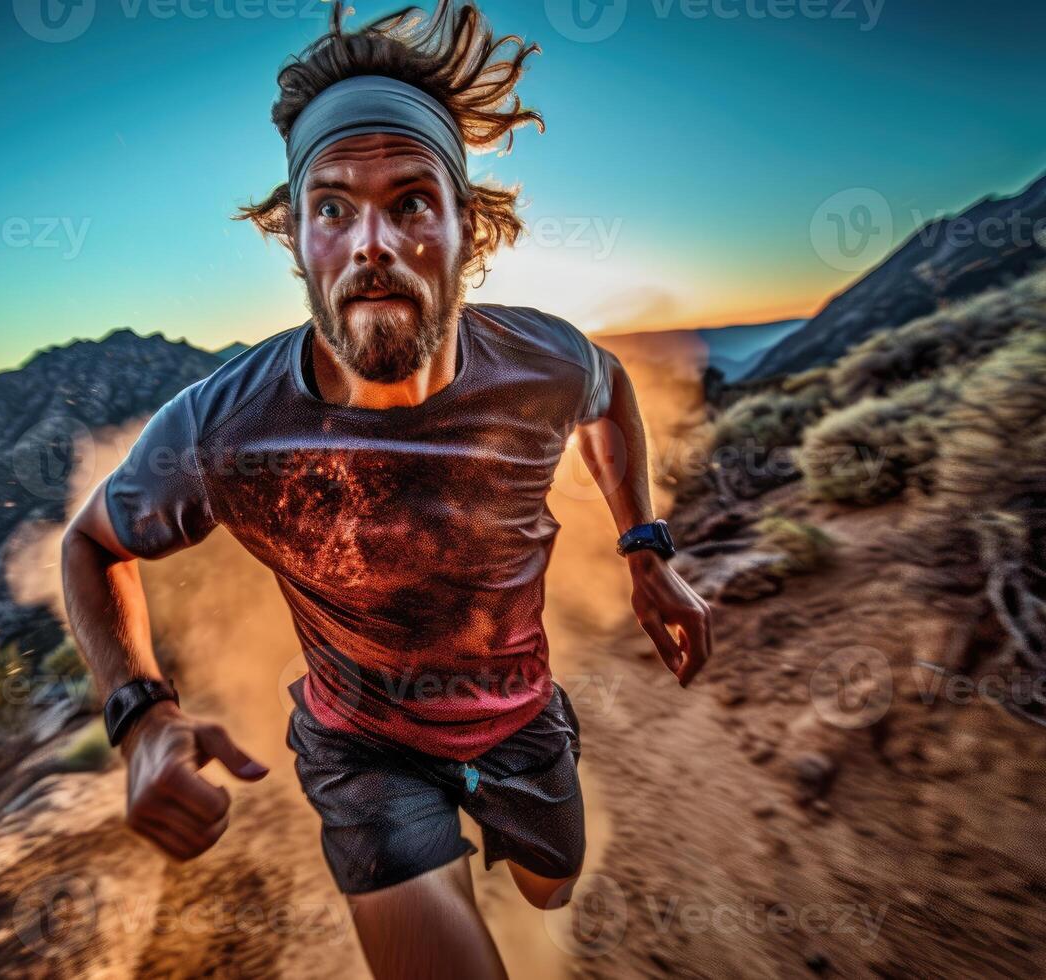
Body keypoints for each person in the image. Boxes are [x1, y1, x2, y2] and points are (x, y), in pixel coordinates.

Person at [60, 2, 712, 975]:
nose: (372, 242)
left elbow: (610, 393)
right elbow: (91, 544)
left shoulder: (540, 362)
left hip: (521, 714)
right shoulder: (224, 426)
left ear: (467, 230)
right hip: (358, 747)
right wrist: (138, 714)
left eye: (412, 201)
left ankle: (521, 862)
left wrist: (645, 547)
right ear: (297, 241)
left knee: (551, 880)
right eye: (331, 206)